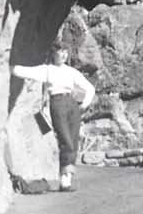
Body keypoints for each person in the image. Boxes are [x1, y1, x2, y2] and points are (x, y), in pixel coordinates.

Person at [12, 44, 96, 190]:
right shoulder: (47, 70)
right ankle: (64, 178)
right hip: (56, 104)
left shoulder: (72, 72)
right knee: (66, 141)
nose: (63, 55)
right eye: (60, 52)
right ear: (54, 53)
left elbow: (90, 88)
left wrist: (84, 105)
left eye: (65, 52)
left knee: (73, 142)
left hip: (72, 104)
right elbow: (25, 71)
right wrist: (8, 67)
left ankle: (66, 181)